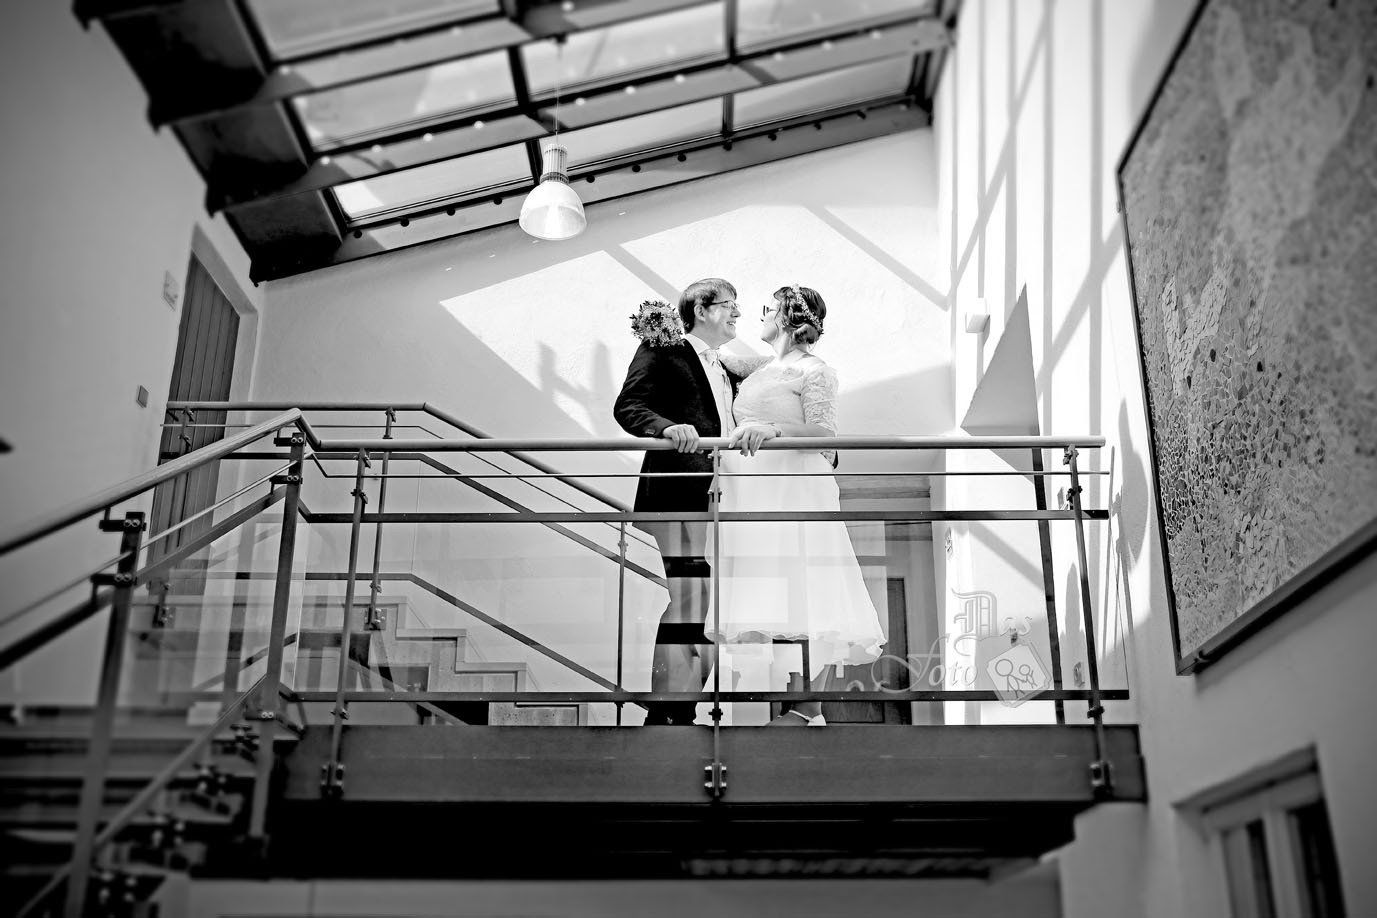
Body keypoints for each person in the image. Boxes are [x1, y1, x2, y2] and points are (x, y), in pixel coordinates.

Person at [707, 284, 886, 726]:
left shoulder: (815, 371)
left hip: (796, 487)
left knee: (809, 587)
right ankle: (794, 706)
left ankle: (808, 710)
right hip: (754, 491)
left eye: (767, 308)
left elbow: (825, 434)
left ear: (787, 316)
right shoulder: (762, 367)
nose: (758, 314)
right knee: (772, 591)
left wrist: (774, 429)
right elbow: (713, 357)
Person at [613, 278, 745, 726]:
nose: (737, 313)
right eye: (729, 304)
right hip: (678, 490)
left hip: (723, 497)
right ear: (701, 310)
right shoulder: (664, 349)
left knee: (708, 608)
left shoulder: (729, 367)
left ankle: (680, 708)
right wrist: (667, 428)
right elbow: (629, 405)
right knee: (690, 597)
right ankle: (667, 711)